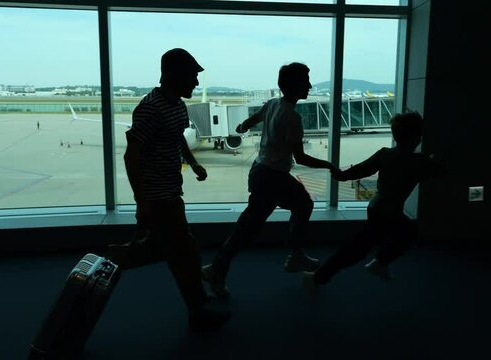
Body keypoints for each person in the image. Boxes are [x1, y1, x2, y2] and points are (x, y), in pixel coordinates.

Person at [201, 62, 339, 298]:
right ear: (295, 85)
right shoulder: (292, 117)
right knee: (250, 228)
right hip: (272, 178)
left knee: (261, 221)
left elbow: (256, 117)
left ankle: (218, 268)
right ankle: (217, 270)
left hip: (261, 172)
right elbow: (301, 157)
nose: (309, 85)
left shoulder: (274, 104)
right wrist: (329, 166)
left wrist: (243, 125)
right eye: (306, 81)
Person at [122, 48, 230, 332]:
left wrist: (193, 164)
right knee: (183, 255)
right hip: (158, 198)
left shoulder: (178, 106)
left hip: (172, 192)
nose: (196, 82)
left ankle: (197, 299)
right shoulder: (150, 107)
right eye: (192, 76)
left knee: (185, 250)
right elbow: (131, 156)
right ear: (174, 76)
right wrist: (141, 201)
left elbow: (179, 139)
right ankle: (197, 312)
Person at [303, 111, 446, 289]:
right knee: (401, 235)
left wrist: (340, 175)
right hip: (390, 212)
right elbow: (441, 171)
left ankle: (323, 276)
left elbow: (362, 169)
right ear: (416, 138)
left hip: (376, 207)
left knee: (358, 247)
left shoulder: (385, 154)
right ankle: (377, 264)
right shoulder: (419, 161)